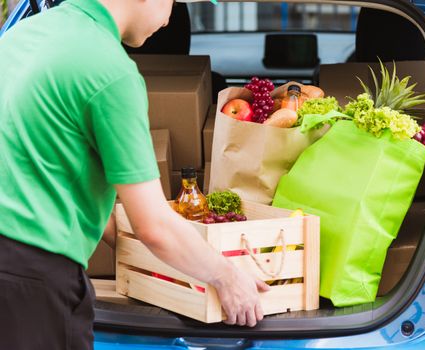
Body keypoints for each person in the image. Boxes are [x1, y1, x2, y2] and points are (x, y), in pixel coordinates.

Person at [0, 0, 269, 348]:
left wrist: (132, 252)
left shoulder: (21, 38)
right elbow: (154, 226)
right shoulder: (110, 70)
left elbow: (49, 169)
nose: (172, 17)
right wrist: (226, 275)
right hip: (33, 284)